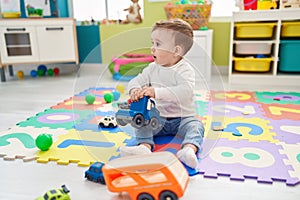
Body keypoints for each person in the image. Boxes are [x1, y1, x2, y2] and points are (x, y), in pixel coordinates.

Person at [119, 18, 205, 169]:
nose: (152, 48)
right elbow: (136, 80)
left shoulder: (185, 70)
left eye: (158, 44)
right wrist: (134, 90)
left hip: (183, 118)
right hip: (159, 119)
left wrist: (156, 92)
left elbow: (184, 92)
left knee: (197, 126)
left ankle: (188, 150)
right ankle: (144, 147)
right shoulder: (152, 68)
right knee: (141, 121)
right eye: (152, 43)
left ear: (176, 51)